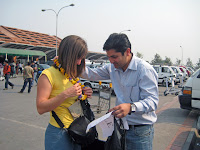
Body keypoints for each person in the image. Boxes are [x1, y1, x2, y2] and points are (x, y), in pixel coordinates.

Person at [81, 33, 159, 150]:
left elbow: (152, 101)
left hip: (140, 132)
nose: (111, 61)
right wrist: (70, 63)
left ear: (127, 52)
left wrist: (131, 107)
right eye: (109, 57)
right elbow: (91, 74)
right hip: (119, 128)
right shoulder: (112, 68)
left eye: (114, 57)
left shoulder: (144, 70)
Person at [36, 35, 93, 150]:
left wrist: (84, 92)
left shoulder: (71, 74)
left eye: (82, 59)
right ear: (68, 55)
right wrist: (66, 94)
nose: (79, 62)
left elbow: (73, 98)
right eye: (78, 58)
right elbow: (40, 108)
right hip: (59, 133)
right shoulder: (48, 75)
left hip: (78, 130)